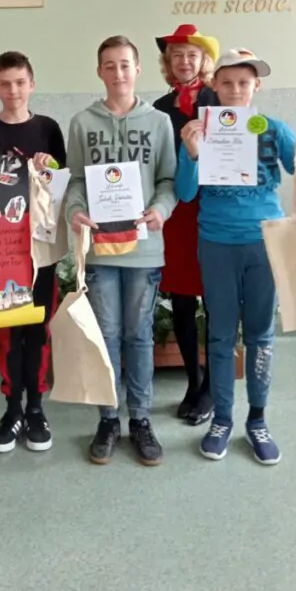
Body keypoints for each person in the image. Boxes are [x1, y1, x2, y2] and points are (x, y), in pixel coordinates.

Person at [176, 49, 296, 465]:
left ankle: (257, 419)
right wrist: (190, 152)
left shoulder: (273, 128)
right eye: (227, 83)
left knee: (260, 335)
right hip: (216, 243)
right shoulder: (200, 130)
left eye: (244, 82)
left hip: (264, 242)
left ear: (256, 86)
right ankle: (222, 419)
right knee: (221, 335)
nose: (236, 90)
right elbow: (185, 193)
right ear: (215, 86)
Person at [64, 35, 177, 466]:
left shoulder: (159, 123)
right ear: (99, 72)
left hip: (143, 249)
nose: (118, 73)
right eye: (109, 65)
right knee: (107, 335)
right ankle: (109, 418)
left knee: (140, 335)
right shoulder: (82, 122)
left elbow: (167, 180)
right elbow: (76, 179)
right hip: (100, 249)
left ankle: (142, 419)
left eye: (125, 64)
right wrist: (75, 210)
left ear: (138, 69)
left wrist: (161, 209)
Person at [0, 50, 67, 453]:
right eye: (5, 84)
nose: (13, 91)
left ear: (32, 84)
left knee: (38, 330)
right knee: (8, 333)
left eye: (20, 82)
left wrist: (50, 168)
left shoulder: (48, 128)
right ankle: (12, 409)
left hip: (39, 247)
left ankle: (36, 408)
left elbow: (62, 185)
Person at [153, 23, 220, 426]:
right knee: (180, 298)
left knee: (213, 301)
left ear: (203, 61)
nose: (183, 61)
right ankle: (192, 381)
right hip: (177, 212)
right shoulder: (159, 107)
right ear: (168, 62)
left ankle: (210, 385)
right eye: (176, 55)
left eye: (191, 55)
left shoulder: (219, 100)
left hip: (212, 211)